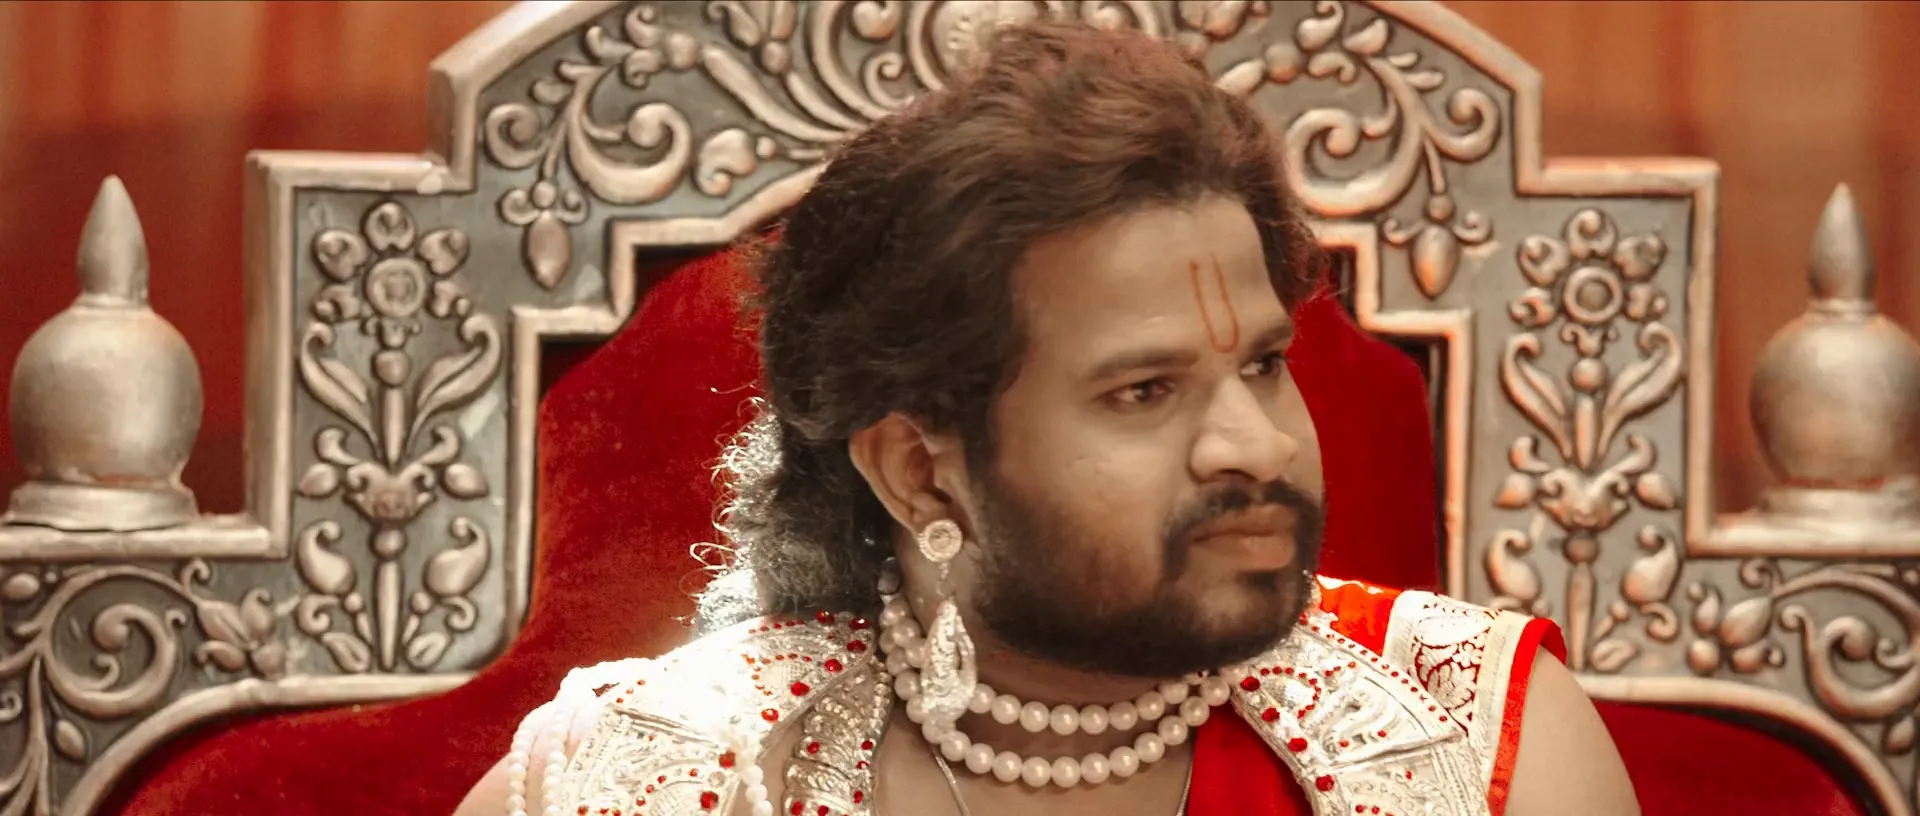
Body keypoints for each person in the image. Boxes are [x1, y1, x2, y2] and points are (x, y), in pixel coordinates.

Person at [456, 19, 1637, 816]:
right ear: (920, 473)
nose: (1260, 445)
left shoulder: (1483, 747)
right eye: (1144, 392)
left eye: (1264, 364)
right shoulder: (643, 782)